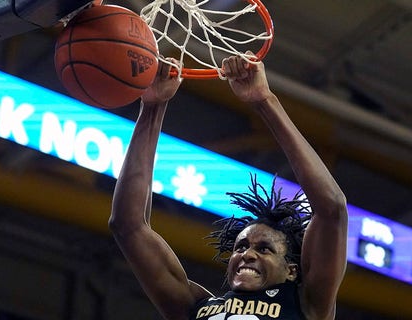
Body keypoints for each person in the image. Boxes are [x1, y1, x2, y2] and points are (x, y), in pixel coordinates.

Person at [109, 54, 348, 320]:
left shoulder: (307, 304)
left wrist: (264, 101)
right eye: (240, 247)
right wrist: (152, 107)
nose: (246, 254)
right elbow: (128, 225)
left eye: (264, 249)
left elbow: (331, 208)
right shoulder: (196, 307)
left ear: (291, 271)